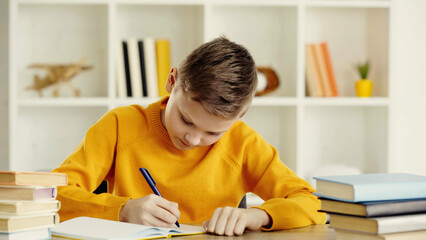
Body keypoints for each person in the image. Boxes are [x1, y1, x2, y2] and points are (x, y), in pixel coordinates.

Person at [52, 37, 326, 236]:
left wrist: (256, 215)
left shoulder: (243, 143)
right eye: (186, 119)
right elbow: (53, 196)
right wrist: (123, 209)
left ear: (238, 118)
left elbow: (312, 203)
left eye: (213, 132)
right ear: (172, 81)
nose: (193, 140)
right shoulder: (119, 125)